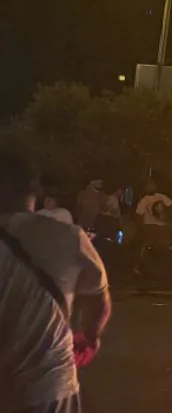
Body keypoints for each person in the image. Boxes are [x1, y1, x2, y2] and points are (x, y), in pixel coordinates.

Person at [0, 152, 111, 412]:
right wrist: (90, 337)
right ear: (36, 188)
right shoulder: (68, 236)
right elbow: (99, 302)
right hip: (48, 389)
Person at [134, 181, 172, 249]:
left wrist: (140, 227)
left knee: (156, 246)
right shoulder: (158, 197)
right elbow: (171, 205)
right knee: (160, 246)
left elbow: (138, 214)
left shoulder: (149, 198)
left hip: (155, 226)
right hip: (156, 226)